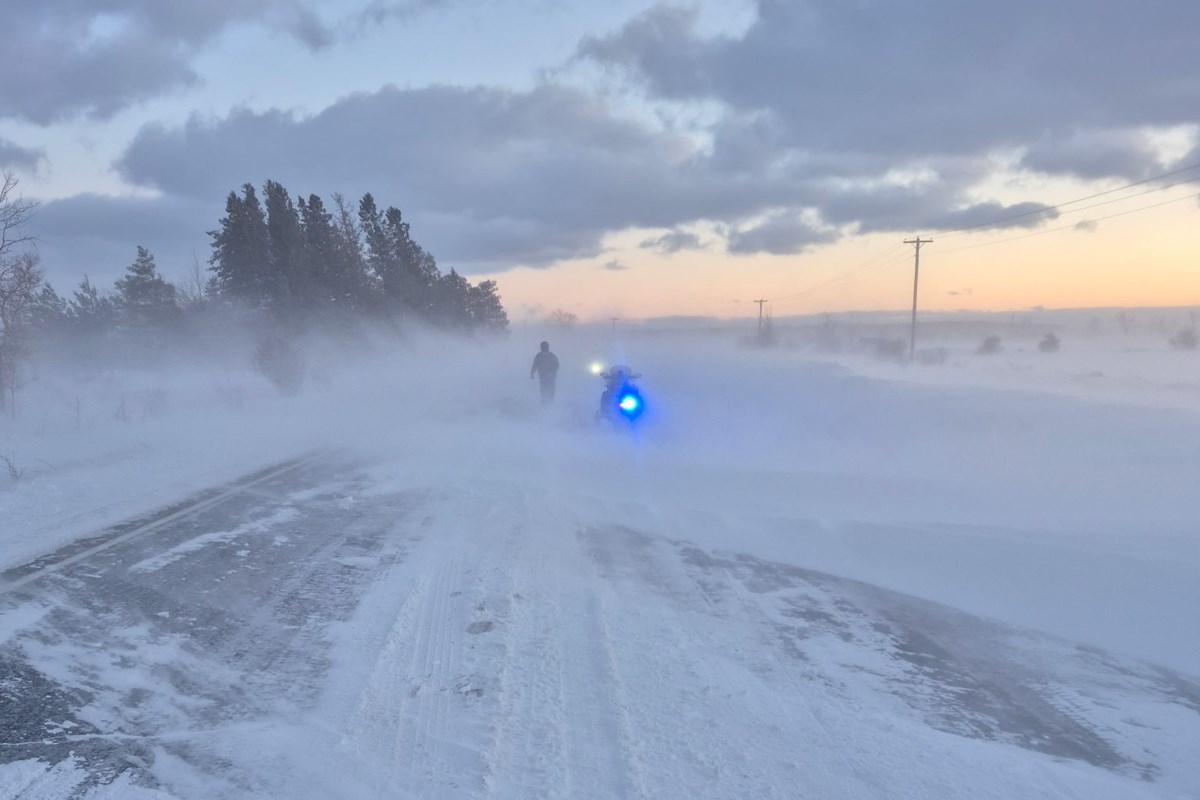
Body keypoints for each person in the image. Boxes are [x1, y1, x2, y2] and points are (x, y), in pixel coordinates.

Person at [530, 341, 560, 405]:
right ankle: (548, 404)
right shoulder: (552, 356)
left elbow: (535, 365)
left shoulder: (539, 356)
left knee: (545, 391)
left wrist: (532, 373)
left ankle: (546, 404)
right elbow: (557, 365)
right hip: (548, 378)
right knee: (548, 391)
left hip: (545, 378)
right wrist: (553, 372)